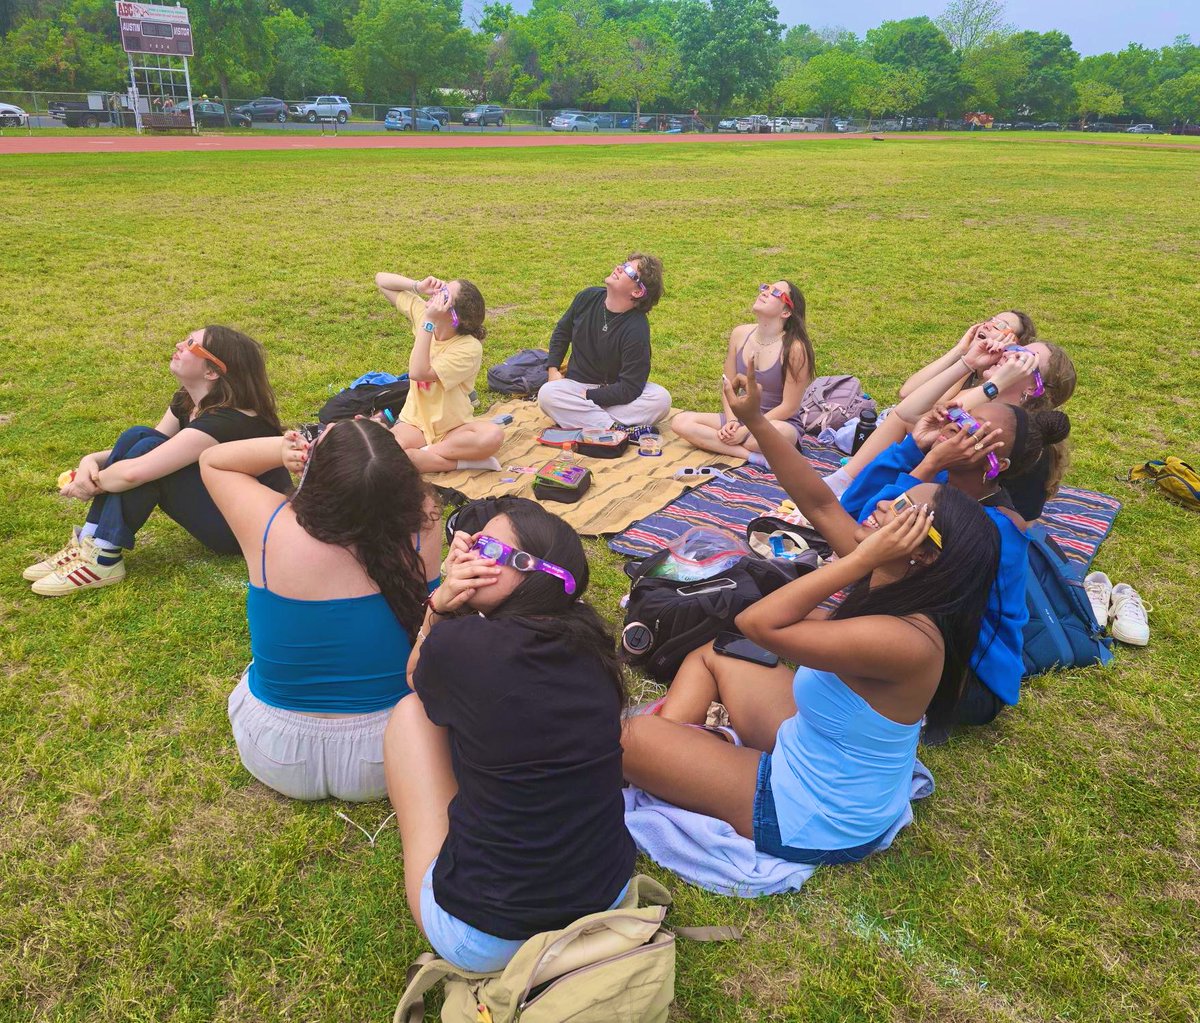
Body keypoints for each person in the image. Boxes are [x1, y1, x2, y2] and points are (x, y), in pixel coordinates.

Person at [622, 408, 1001, 863]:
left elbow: (759, 624)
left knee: (625, 736)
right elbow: (819, 503)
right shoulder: (894, 576)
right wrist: (754, 420)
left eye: (904, 509)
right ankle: (677, 746)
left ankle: (664, 750)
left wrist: (858, 562)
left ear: (922, 553)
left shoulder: (905, 638)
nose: (884, 503)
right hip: (810, 746)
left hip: (813, 815)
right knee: (716, 655)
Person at [383, 498, 635, 973]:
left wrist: (438, 606)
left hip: (483, 937)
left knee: (411, 714)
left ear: (515, 570)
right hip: (605, 899)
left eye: (483, 546)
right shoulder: (594, 645)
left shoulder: (460, 646)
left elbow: (416, 676)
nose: (468, 553)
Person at [199, 419, 442, 802]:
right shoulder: (423, 523)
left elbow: (214, 460)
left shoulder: (267, 525)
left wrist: (282, 449)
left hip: (274, 751)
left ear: (316, 476)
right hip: (393, 752)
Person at [839, 399, 1069, 737]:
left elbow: (869, 534)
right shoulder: (944, 479)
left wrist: (928, 464)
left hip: (971, 681)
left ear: (996, 464)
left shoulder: (997, 528)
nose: (956, 427)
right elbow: (853, 508)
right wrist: (914, 446)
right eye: (963, 417)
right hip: (927, 639)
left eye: (974, 432)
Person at [24, 326, 288, 596]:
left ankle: (103, 558)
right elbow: (147, 445)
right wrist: (89, 460)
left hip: (245, 531)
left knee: (147, 453)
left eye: (190, 345)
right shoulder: (190, 401)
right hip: (223, 512)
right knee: (139, 435)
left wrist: (93, 482)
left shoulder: (227, 422)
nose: (179, 345)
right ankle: (88, 541)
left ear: (211, 372)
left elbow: (135, 473)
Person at [827, 326, 1076, 520]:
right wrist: (967, 362)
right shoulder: (985, 403)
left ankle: (843, 484)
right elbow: (905, 413)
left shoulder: (1007, 432)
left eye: (1023, 357)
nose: (1009, 352)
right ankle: (843, 480)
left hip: (957, 527)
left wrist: (994, 384)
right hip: (912, 506)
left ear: (1034, 386)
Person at [374, 269, 504, 472]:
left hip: (453, 429)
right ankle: (457, 462)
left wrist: (428, 322)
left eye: (444, 294)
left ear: (454, 317)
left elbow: (418, 372)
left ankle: (423, 455)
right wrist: (417, 285)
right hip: (414, 424)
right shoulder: (425, 317)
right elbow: (381, 280)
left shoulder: (468, 348)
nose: (437, 292)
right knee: (380, 454)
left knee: (493, 434)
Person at [672, 281, 814, 464]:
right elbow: (728, 385)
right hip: (741, 418)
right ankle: (752, 457)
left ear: (786, 312)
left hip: (778, 423)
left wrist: (747, 429)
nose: (765, 292)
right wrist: (732, 421)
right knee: (680, 422)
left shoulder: (795, 349)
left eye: (776, 292)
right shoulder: (739, 334)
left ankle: (734, 445)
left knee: (761, 438)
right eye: (766, 287)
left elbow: (789, 407)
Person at [537, 254, 672, 431]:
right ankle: (617, 428)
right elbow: (562, 333)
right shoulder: (587, 297)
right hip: (576, 386)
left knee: (661, 399)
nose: (619, 268)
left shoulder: (637, 328)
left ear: (637, 292)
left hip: (614, 393)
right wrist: (553, 370)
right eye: (624, 264)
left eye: (629, 270)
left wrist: (589, 397)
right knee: (547, 394)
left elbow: (631, 387)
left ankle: (589, 421)